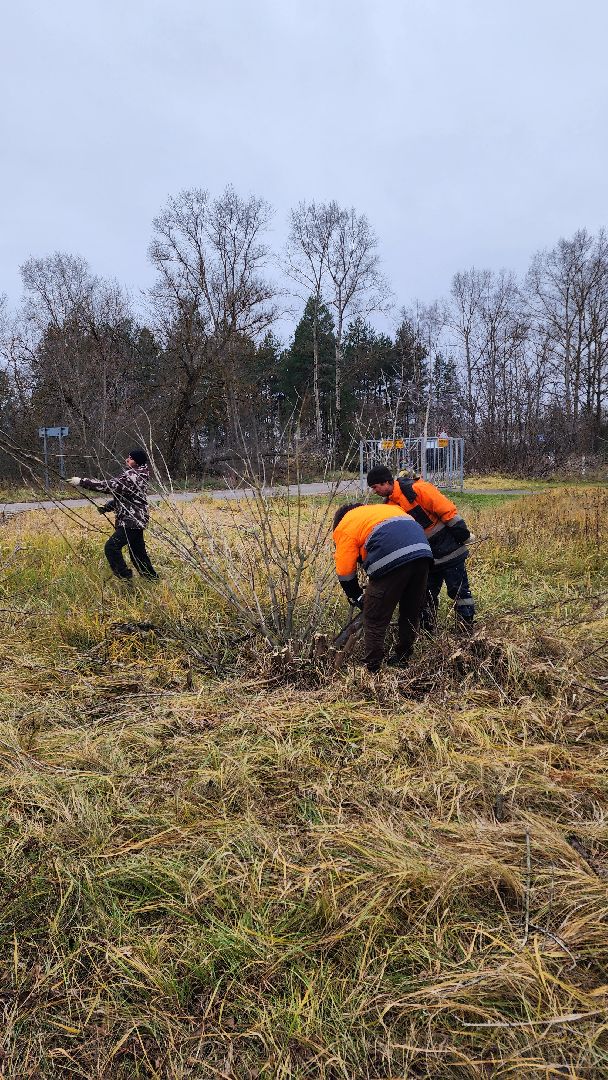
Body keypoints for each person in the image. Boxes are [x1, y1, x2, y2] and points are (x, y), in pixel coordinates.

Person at [366, 464, 475, 630]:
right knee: (426, 596)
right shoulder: (388, 506)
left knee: (459, 592)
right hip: (427, 558)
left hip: (451, 551)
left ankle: (466, 630)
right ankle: (427, 632)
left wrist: (463, 535)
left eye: (375, 487)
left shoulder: (418, 489)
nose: (374, 491)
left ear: (386, 482)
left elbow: (447, 511)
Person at [332, 502, 432, 672]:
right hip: (423, 553)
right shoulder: (388, 509)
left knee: (374, 619)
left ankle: (372, 668)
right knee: (410, 611)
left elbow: (345, 571)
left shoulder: (345, 524)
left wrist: (356, 596)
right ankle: (403, 657)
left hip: (391, 557)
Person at [67, 449, 158, 580]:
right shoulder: (137, 474)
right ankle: (152, 579)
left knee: (111, 548)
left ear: (137, 462)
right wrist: (107, 507)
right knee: (138, 554)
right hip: (134, 520)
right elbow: (126, 496)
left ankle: (125, 578)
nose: (127, 460)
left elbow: (109, 486)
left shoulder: (134, 477)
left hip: (131, 521)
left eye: (131, 458)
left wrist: (81, 482)